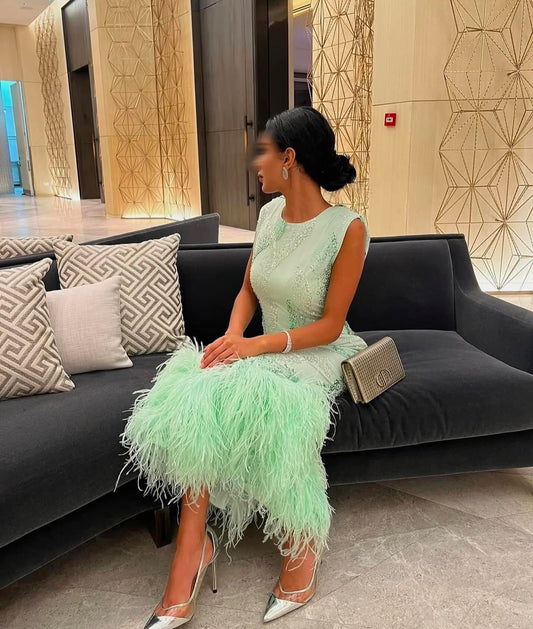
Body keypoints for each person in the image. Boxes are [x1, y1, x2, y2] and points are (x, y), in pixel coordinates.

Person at [115, 105, 371, 627]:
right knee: (199, 389)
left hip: (319, 353)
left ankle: (300, 542)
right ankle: (192, 547)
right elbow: (247, 291)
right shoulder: (269, 216)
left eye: (264, 153)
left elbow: (329, 325)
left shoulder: (347, 228)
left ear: (290, 158)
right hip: (265, 349)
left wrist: (254, 347)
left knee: (275, 406)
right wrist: (233, 338)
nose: (256, 164)